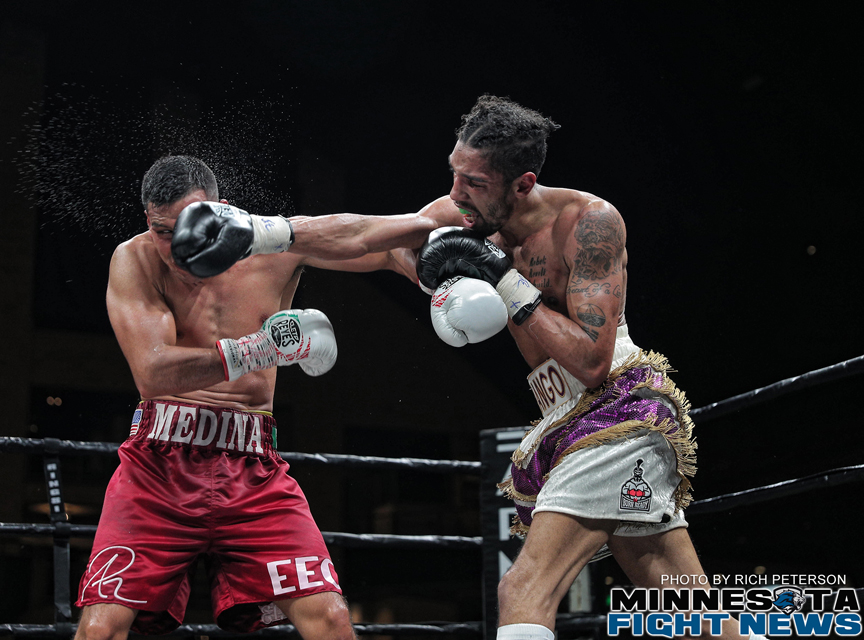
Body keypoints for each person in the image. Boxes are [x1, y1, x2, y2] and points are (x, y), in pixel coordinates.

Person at [173, 96, 755, 640]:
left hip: (617, 412)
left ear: (522, 183)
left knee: (522, 589)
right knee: (686, 602)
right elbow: (371, 237)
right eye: (455, 174)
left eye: (474, 183)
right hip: (566, 414)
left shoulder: (588, 223)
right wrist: (261, 233)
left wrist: (503, 278)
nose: (457, 192)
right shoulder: (464, 212)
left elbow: (592, 361)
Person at [74, 155, 465, 640]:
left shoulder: (273, 246)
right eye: (162, 230)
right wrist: (261, 349)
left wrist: (435, 274)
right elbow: (153, 372)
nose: (176, 246)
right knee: (101, 628)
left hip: (253, 468)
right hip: (157, 469)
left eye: (190, 227)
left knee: (331, 619)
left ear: (221, 210)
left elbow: (376, 242)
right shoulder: (135, 260)